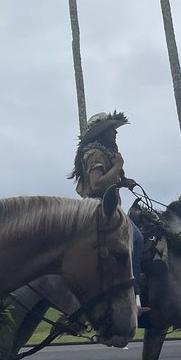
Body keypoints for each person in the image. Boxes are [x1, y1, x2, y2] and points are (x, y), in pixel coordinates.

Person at [69, 111, 153, 314]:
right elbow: (97, 184)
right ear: (102, 133)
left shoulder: (101, 152)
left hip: (106, 206)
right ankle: (132, 297)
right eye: (111, 130)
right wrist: (118, 167)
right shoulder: (95, 154)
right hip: (100, 208)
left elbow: (105, 180)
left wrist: (123, 181)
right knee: (137, 239)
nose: (115, 133)